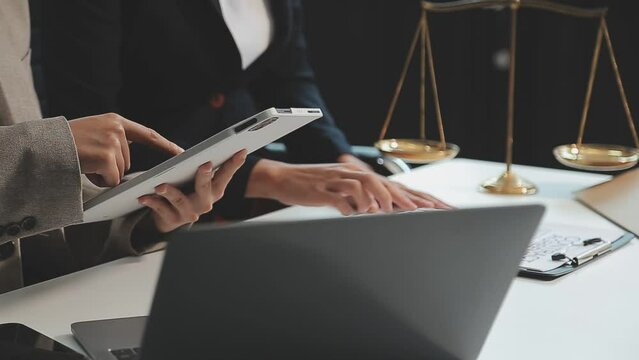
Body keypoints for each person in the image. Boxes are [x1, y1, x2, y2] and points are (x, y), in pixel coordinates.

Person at [42, 0, 451, 219]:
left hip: (235, 207)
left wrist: (344, 163)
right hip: (133, 211)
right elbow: (94, 127)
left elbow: (289, 78)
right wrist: (269, 177)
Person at [0, 1, 245, 294]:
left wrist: (142, 216)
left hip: (30, 310)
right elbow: (39, 156)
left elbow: (29, 211)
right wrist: (46, 151)